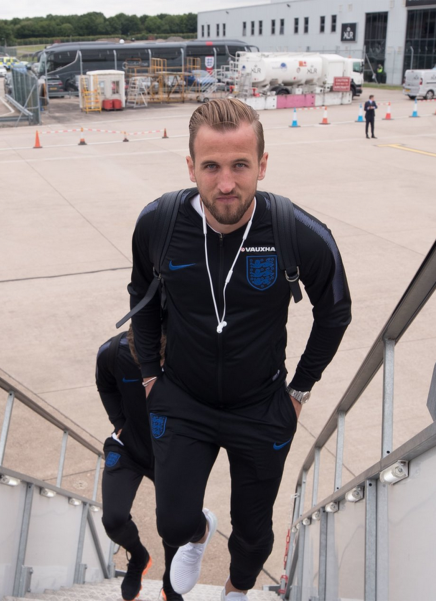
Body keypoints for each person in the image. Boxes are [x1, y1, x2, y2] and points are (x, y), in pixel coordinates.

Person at [127, 99, 352, 600]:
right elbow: (140, 298)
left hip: (262, 405)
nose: (225, 183)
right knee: (172, 520)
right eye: (211, 166)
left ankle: (237, 589)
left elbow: (335, 311)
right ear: (191, 166)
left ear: (262, 165)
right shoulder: (158, 223)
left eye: (240, 166)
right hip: (183, 399)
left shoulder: (299, 233)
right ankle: (197, 533)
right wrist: (148, 375)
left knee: (253, 535)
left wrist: (300, 389)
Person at [96, 328, 181, 601]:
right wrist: (119, 422)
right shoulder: (112, 352)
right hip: (128, 448)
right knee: (113, 519)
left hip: (170, 452)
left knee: (172, 523)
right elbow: (105, 384)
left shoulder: (185, 353)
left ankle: (171, 582)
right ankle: (139, 557)